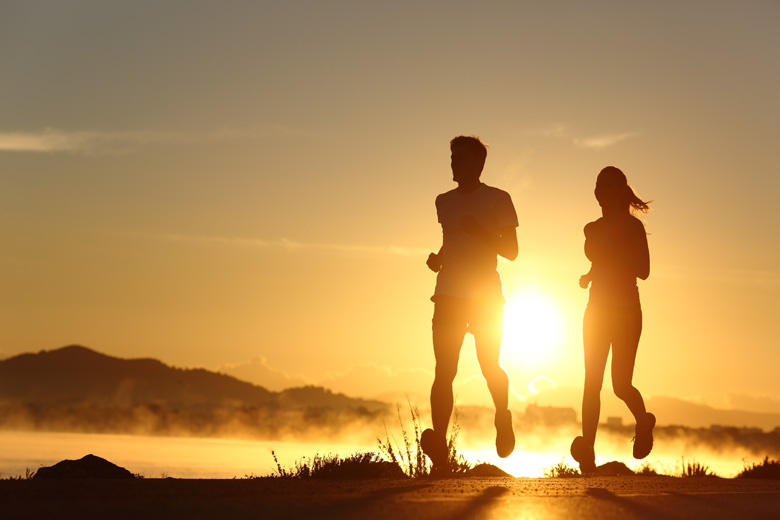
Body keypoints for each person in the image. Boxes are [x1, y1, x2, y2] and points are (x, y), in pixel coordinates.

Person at [421, 135, 519, 472]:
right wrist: (440, 257)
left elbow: (511, 251)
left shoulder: (498, 199)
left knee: (489, 366)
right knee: (444, 371)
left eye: (461, 157)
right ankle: (441, 459)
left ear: (477, 164)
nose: (453, 162)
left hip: (485, 298)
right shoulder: (443, 201)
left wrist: (480, 230)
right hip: (447, 294)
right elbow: (453, 241)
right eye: (452, 156)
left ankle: (503, 418)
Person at [571, 166, 655, 474]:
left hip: (626, 313)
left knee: (620, 385)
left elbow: (643, 270)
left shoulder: (631, 227)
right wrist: (589, 275)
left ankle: (644, 422)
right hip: (595, 311)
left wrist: (610, 252)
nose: (599, 191)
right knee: (591, 383)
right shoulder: (592, 227)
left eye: (606, 186)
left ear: (620, 191)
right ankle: (588, 458)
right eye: (597, 185)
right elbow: (601, 263)